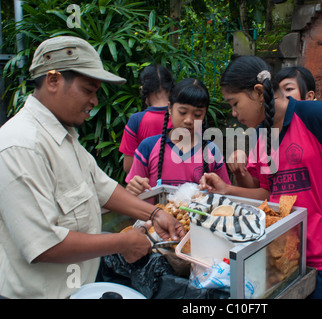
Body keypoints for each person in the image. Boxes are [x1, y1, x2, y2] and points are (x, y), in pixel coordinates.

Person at [198, 55, 322, 298]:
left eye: (234, 103)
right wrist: (227, 189)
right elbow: (268, 194)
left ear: (257, 92)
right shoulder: (262, 135)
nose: (233, 113)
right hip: (281, 254)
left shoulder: (313, 115)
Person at [0, 36, 185, 299]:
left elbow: (102, 187)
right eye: (88, 90)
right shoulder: (20, 146)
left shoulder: (65, 137)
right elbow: (44, 245)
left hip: (80, 289)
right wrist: (122, 242)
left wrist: (155, 214)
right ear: (53, 80)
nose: (94, 101)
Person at [125, 78, 230, 196]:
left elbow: (225, 194)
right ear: (170, 108)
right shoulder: (148, 147)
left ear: (204, 114)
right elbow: (131, 195)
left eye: (197, 115)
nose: (189, 120)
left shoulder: (211, 151)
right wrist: (133, 189)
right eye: (182, 112)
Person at [227, 65, 319, 188]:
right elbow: (258, 188)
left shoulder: (319, 126)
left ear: (309, 97)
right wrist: (239, 170)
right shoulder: (262, 133)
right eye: (277, 91)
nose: (281, 96)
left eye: (288, 89)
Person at [119, 64, 174, 173]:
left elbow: (128, 167)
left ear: (144, 89)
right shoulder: (187, 118)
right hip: (181, 186)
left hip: (146, 187)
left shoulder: (136, 120)